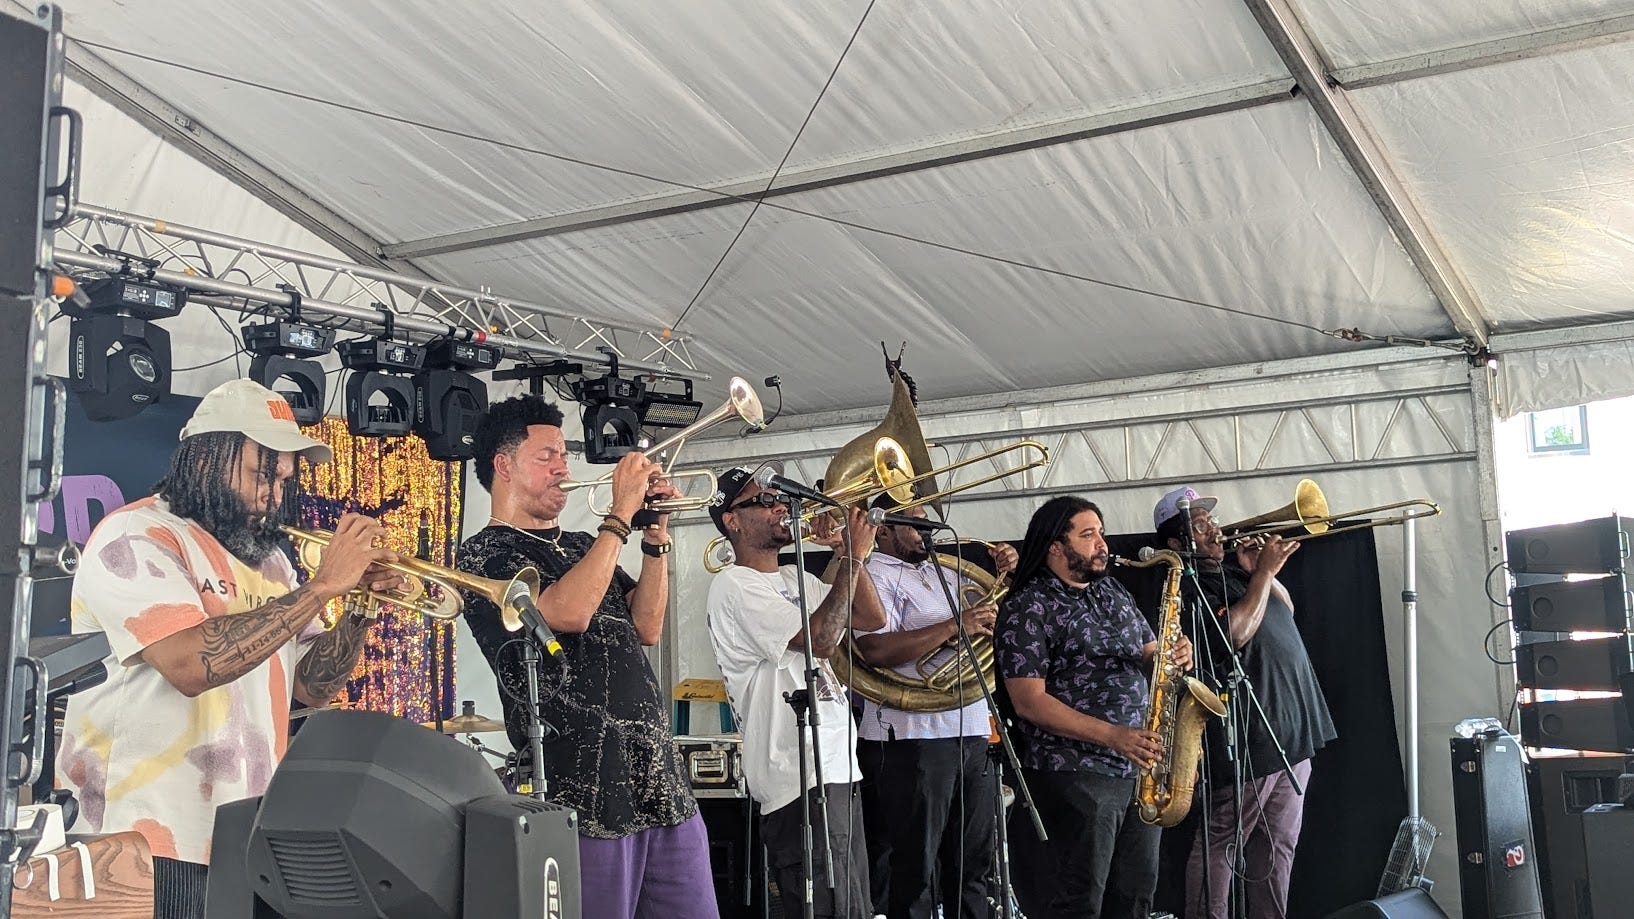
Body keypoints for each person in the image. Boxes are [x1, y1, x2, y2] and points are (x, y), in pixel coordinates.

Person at [56, 379, 402, 919]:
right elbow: (191, 664)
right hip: (139, 840)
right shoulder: (138, 535)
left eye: (283, 479)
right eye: (263, 473)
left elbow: (310, 686)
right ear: (205, 460)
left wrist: (360, 605)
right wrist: (321, 587)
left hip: (242, 839)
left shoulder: (272, 562)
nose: (274, 495)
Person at [456, 395, 717, 919]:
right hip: (581, 784)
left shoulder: (582, 543)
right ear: (503, 466)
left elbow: (646, 626)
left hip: (657, 775)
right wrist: (619, 514)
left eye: (564, 455)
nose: (563, 468)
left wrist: (655, 537)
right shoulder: (484, 554)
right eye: (546, 456)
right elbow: (568, 612)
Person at [995, 495, 1192, 919]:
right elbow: (1029, 701)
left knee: (1135, 896)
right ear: (1055, 546)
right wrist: (1114, 736)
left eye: (1101, 533)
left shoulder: (1112, 591)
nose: (1102, 543)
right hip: (1075, 773)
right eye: (1088, 535)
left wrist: (1175, 654)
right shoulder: (1026, 605)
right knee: (1080, 901)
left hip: (1137, 768)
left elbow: (1150, 654)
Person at [706, 465, 886, 919]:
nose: (780, 507)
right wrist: (855, 558)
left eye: (779, 499)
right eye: (765, 500)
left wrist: (845, 550)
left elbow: (871, 618)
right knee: (829, 909)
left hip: (837, 768)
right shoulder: (733, 584)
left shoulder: (795, 579)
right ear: (732, 520)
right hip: (797, 776)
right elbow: (821, 639)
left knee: (855, 908)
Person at [1152, 486, 1336, 919]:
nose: (1215, 530)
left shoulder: (1235, 573)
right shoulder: (1188, 586)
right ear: (1178, 542)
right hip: (1252, 737)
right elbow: (1231, 636)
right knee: (1222, 842)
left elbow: (1285, 609)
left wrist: (1261, 573)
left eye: (1212, 520)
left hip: (1293, 733)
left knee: (1278, 847)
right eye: (1201, 525)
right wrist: (1262, 574)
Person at [855, 495, 1017, 919]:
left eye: (928, 522)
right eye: (915, 525)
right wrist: (956, 625)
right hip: (913, 737)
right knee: (916, 870)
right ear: (883, 530)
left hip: (972, 728)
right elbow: (873, 650)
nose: (927, 532)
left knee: (973, 866)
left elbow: (998, 624)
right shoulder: (873, 574)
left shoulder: (945, 570)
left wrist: (1008, 576)